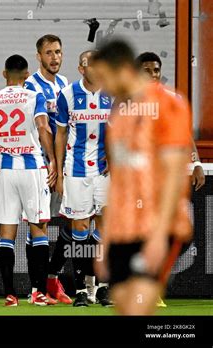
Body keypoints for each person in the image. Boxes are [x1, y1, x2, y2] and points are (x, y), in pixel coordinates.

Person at [92, 39, 192, 315]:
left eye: (105, 77)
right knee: (125, 308)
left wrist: (159, 236)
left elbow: (174, 174)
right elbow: (119, 182)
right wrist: (106, 240)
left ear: (123, 69)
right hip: (123, 227)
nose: (103, 85)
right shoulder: (119, 114)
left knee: (138, 308)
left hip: (158, 226)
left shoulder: (168, 103)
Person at [0, 54, 57, 306]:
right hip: (31, 168)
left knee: (7, 234)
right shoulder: (34, 96)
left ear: (4, 74)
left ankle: (10, 294)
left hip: (5, 171)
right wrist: (53, 160)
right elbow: (43, 128)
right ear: (27, 76)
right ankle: (37, 292)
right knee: (38, 229)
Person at [55, 50, 112, 307]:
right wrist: (57, 170)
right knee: (79, 230)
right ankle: (80, 289)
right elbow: (60, 134)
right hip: (76, 171)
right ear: (81, 68)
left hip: (104, 172)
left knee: (104, 228)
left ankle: (102, 287)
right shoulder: (67, 95)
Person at [24, 35, 72, 304]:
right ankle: (38, 287)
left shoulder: (65, 83)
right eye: (49, 53)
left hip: (66, 164)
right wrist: (52, 162)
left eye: (58, 52)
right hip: (42, 164)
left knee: (75, 219)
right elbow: (40, 128)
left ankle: (52, 276)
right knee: (39, 223)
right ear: (38, 56)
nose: (55, 57)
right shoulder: (31, 86)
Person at [135, 52, 205, 192]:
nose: (153, 75)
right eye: (146, 71)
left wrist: (197, 163)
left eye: (156, 70)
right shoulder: (126, 101)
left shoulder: (174, 99)